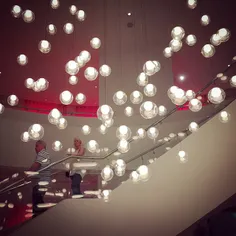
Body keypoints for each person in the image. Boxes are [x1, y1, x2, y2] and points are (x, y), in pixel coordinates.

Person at [27, 140, 51, 217]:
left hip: (42, 182)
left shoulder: (42, 153)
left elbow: (36, 165)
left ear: (42, 146)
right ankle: (42, 216)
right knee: (39, 202)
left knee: (37, 203)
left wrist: (27, 174)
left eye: (37, 146)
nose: (35, 148)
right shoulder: (45, 154)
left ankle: (39, 218)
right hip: (43, 182)